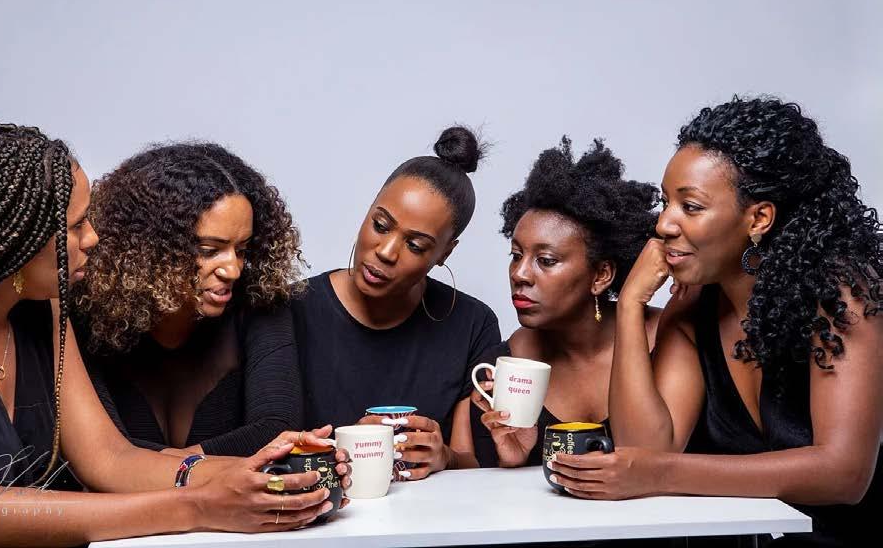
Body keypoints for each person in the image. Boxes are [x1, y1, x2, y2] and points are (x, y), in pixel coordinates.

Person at [0, 124, 349, 546]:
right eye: (77, 226)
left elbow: (109, 460)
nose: (94, 238)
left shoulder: (46, 310)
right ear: (14, 239)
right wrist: (198, 506)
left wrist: (263, 470)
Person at [550, 98, 882, 547]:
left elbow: (843, 474)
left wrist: (663, 473)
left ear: (758, 218)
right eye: (666, 202)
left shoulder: (841, 295)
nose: (664, 224)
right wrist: (630, 304)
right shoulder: (693, 308)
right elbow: (646, 448)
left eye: (690, 206)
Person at [292, 124, 501, 479]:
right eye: (380, 225)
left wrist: (444, 456)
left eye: (415, 245)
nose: (386, 252)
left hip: (429, 514)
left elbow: (473, 462)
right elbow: (260, 448)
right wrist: (345, 448)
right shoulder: (291, 309)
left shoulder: (472, 324)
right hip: (319, 510)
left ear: (444, 253)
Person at [77, 143, 305, 457]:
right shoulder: (86, 315)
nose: (233, 270)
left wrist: (160, 465)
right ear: (149, 248)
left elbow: (276, 427)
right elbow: (89, 450)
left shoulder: (259, 303)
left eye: (242, 250)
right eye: (210, 251)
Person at [459, 137, 661, 468]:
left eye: (546, 260)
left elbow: (656, 462)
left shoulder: (668, 342)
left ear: (601, 275)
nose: (519, 274)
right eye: (516, 255)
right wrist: (512, 462)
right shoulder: (501, 367)